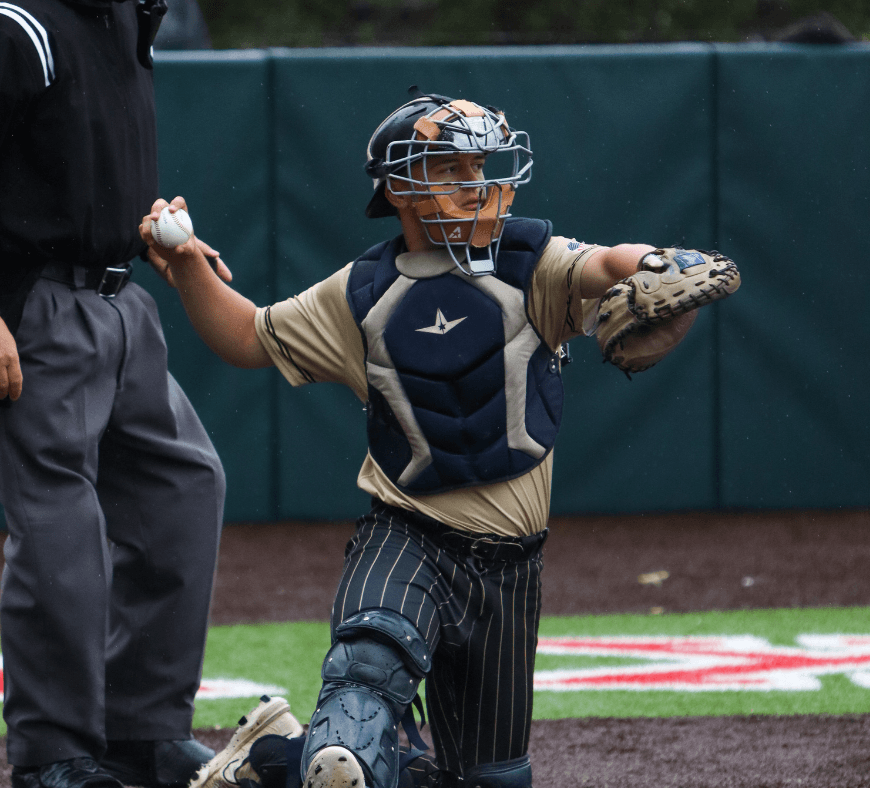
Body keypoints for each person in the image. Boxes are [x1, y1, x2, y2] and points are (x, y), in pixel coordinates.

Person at [140, 88, 725, 788]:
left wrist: (658, 264)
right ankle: (325, 749)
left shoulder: (531, 262)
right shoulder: (362, 291)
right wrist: (186, 268)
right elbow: (246, 335)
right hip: (408, 537)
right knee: (356, 715)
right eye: (448, 169)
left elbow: (606, 265)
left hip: (512, 568)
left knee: (485, 779)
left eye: (477, 167)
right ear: (398, 189)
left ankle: (269, 757)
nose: (473, 182)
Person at [0, 2, 229, 788]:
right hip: (36, 306)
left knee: (183, 486)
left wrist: (147, 225)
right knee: (59, 526)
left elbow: (60, 165)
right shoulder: (20, 20)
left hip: (123, 297)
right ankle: (53, 753)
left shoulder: (125, 16)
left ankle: (142, 730)